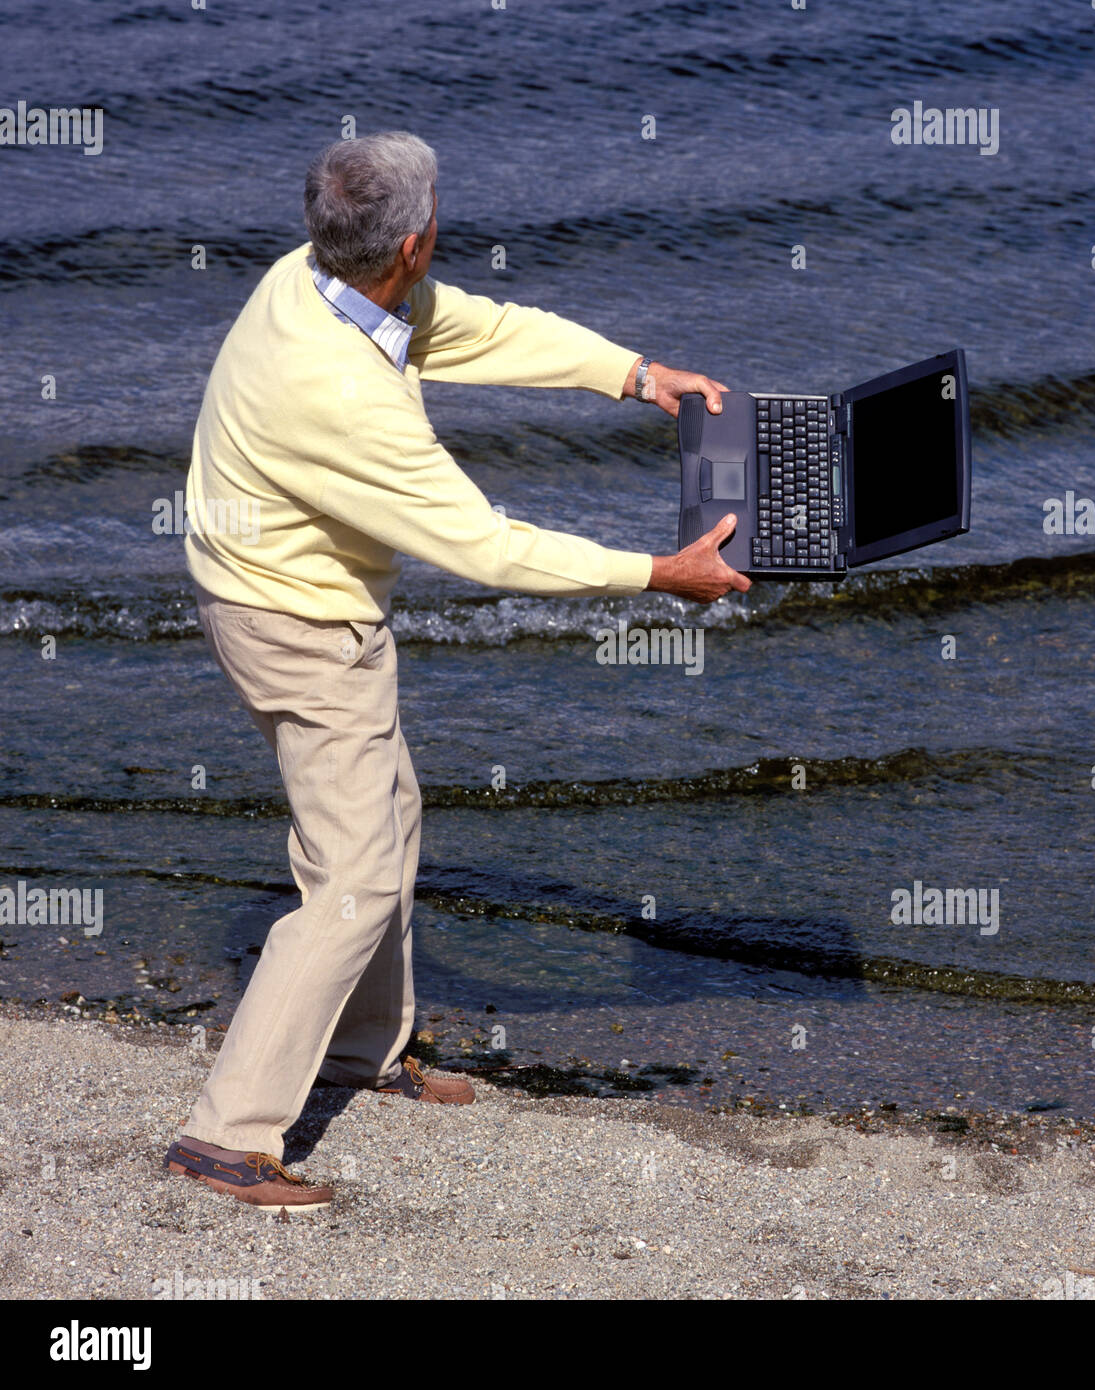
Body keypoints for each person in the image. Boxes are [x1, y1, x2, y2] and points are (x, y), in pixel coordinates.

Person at [164, 130, 749, 1210]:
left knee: (388, 815)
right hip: (292, 618)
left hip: (276, 584)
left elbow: (473, 329)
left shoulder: (313, 276)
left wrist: (631, 375)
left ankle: (360, 1056)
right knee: (352, 879)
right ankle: (224, 1135)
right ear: (416, 240)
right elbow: (488, 547)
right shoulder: (341, 392)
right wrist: (657, 573)